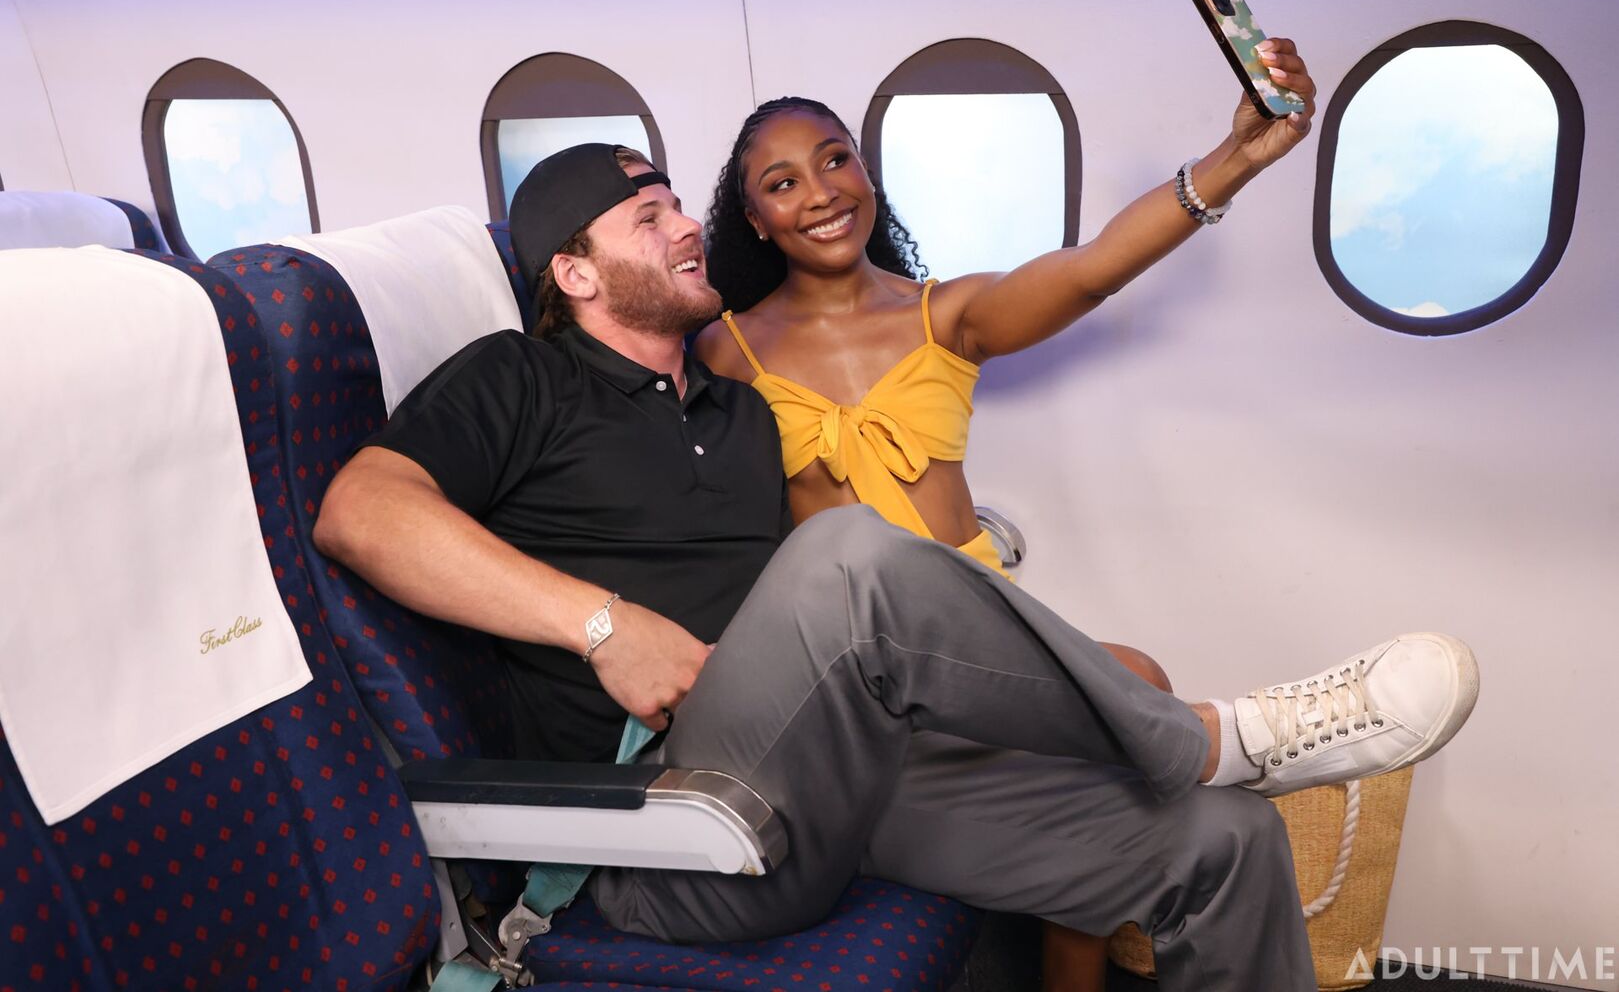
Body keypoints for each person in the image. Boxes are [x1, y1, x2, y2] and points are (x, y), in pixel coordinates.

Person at [311, 141, 1479, 992]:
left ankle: (1218, 773)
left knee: (1222, 844)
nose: (683, 228)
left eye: (678, 205)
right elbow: (362, 513)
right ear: (574, 274)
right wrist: (603, 626)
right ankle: (1220, 740)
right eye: (648, 217)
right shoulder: (518, 377)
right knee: (845, 554)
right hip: (670, 830)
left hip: (829, 784)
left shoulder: (737, 407)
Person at [693, 45, 1319, 988]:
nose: (819, 193)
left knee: (1140, 679)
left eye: (834, 160)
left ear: (865, 173)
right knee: (1128, 707)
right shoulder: (722, 350)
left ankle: (1076, 970)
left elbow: (1094, 267)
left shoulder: (947, 316)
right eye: (782, 184)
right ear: (755, 220)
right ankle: (1229, 748)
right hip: (856, 674)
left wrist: (1235, 160)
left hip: (972, 637)